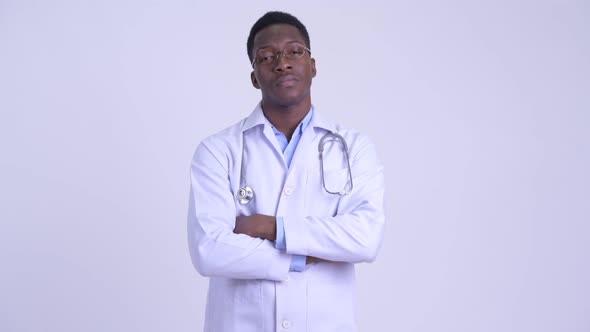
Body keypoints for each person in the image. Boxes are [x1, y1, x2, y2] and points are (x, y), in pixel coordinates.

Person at [187, 11, 385, 332]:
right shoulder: (218, 150)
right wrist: (303, 256)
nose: (282, 62)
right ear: (254, 77)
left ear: (313, 66)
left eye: (295, 51)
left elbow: (364, 238)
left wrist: (270, 227)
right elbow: (209, 250)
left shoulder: (352, 147)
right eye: (266, 57)